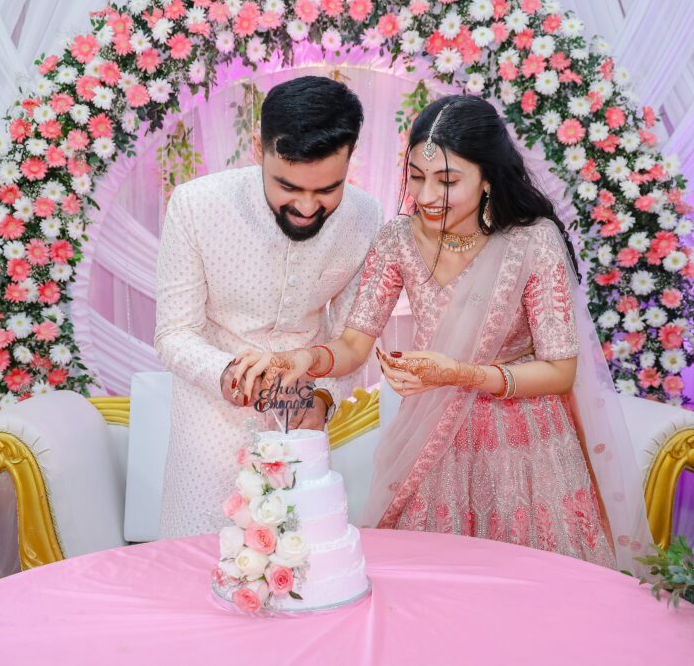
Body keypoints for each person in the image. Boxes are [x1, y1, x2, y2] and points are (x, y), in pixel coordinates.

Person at [233, 95, 651, 569]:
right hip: (433, 443)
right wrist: (302, 360)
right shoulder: (398, 240)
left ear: (488, 177)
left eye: (447, 180)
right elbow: (353, 344)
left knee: (530, 597)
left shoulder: (532, 242)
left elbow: (559, 370)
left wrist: (461, 373)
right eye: (416, 177)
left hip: (524, 446)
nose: (427, 196)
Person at [154, 76, 382, 538]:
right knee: (205, 564)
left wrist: (321, 400)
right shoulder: (196, 206)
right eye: (288, 186)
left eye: (326, 191)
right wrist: (231, 375)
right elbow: (173, 334)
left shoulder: (365, 217)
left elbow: (351, 337)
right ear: (259, 148)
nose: (305, 206)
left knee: (302, 569)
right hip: (211, 425)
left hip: (303, 429)